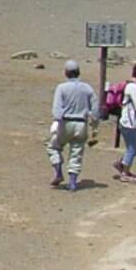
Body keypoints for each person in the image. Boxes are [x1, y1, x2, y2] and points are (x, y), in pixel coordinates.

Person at [48, 59, 97, 191]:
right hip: (81, 124)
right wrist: (95, 126)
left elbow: (57, 109)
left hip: (66, 122)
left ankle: (58, 172)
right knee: (76, 152)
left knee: (54, 147)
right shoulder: (87, 88)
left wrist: (56, 123)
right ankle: (73, 182)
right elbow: (95, 110)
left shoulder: (61, 88)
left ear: (66, 73)